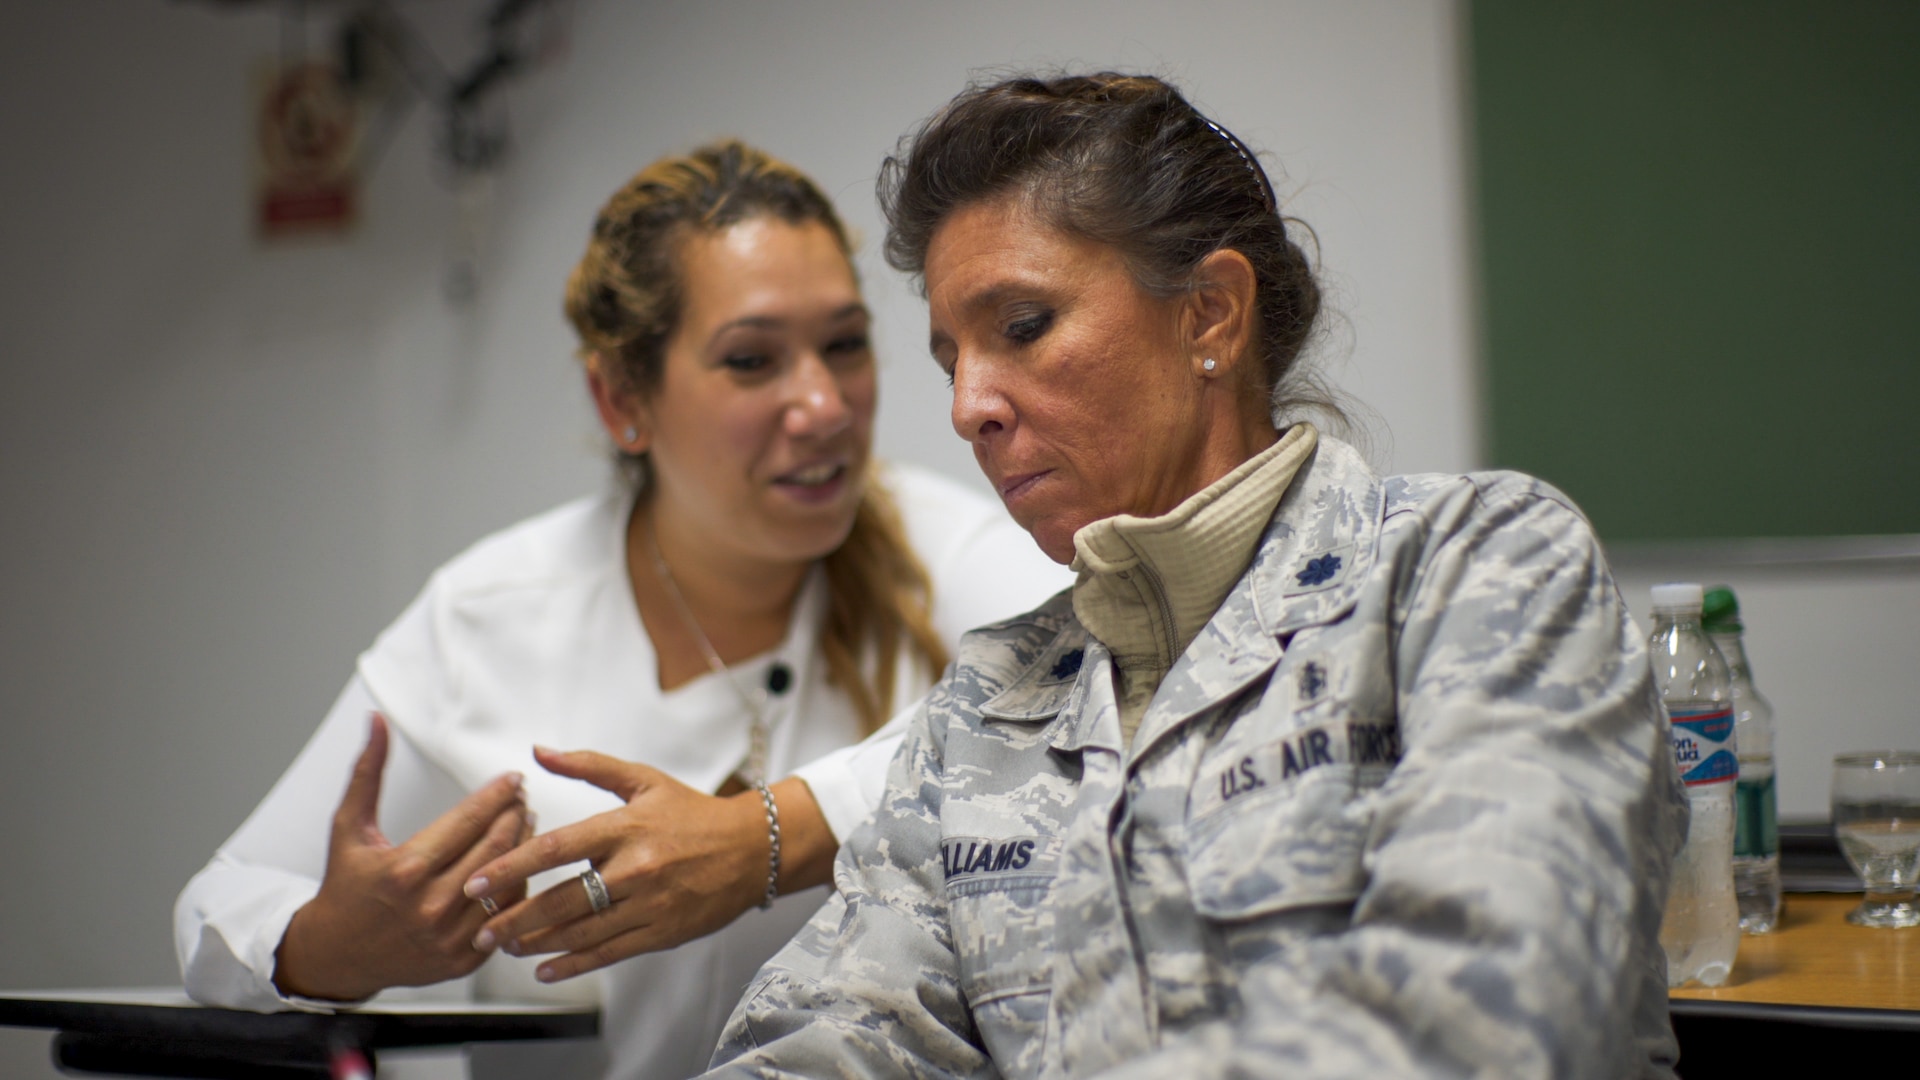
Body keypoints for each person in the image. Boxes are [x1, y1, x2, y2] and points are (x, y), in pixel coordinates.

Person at [705, 74, 1689, 1079]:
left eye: (1024, 327)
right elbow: (830, 1033)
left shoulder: (1476, 567)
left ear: (1210, 314)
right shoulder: (988, 705)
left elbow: (1486, 1011)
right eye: (949, 358)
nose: (968, 407)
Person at [173, 141, 1070, 1080]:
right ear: (620, 400)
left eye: (844, 344)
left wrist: (762, 836)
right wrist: (325, 947)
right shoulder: (494, 613)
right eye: (752, 360)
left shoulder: (955, 555)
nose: (823, 403)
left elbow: (1081, 692)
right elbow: (216, 906)